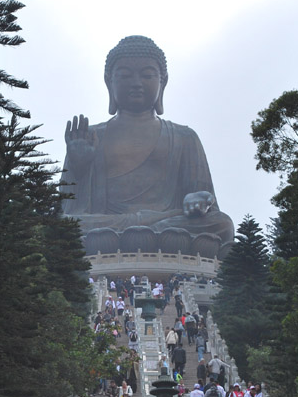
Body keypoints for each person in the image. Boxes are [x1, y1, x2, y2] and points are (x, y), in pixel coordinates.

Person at [60, 36, 235, 258]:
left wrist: (199, 199)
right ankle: (142, 235)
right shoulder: (90, 136)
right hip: (107, 226)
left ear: (163, 82)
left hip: (167, 223)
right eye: (124, 75)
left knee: (222, 224)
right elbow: (68, 210)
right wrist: (79, 168)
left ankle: (142, 235)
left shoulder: (184, 137)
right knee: (64, 227)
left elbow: (207, 203)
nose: (136, 83)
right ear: (108, 82)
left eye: (147, 75)